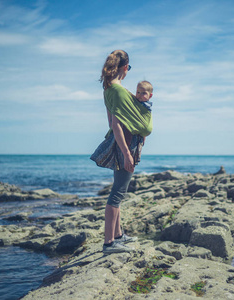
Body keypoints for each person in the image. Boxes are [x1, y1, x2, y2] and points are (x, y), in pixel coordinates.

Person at [90, 50, 152, 254]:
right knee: (117, 194)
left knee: (118, 190)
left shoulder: (108, 89)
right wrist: (127, 153)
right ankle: (109, 243)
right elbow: (116, 124)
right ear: (125, 67)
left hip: (121, 143)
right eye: (129, 68)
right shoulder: (119, 91)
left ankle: (117, 235)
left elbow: (110, 121)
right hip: (125, 145)